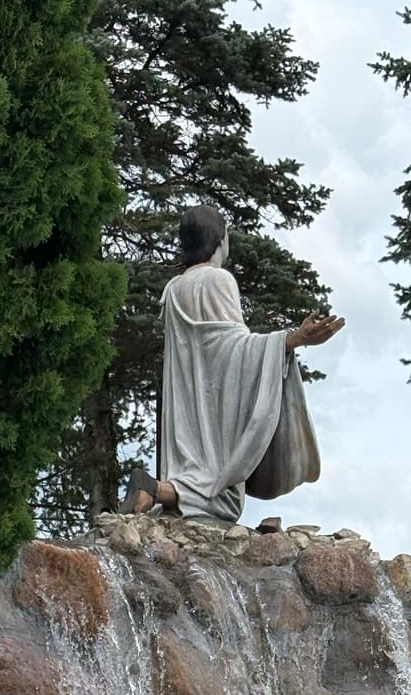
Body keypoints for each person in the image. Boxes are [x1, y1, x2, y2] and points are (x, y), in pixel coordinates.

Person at [125, 206, 344, 525]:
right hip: (214, 404)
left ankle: (153, 490)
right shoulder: (218, 280)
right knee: (222, 493)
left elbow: (206, 349)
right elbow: (232, 347)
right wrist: (291, 340)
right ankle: (154, 489)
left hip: (187, 400)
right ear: (219, 240)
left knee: (198, 476)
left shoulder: (174, 289)